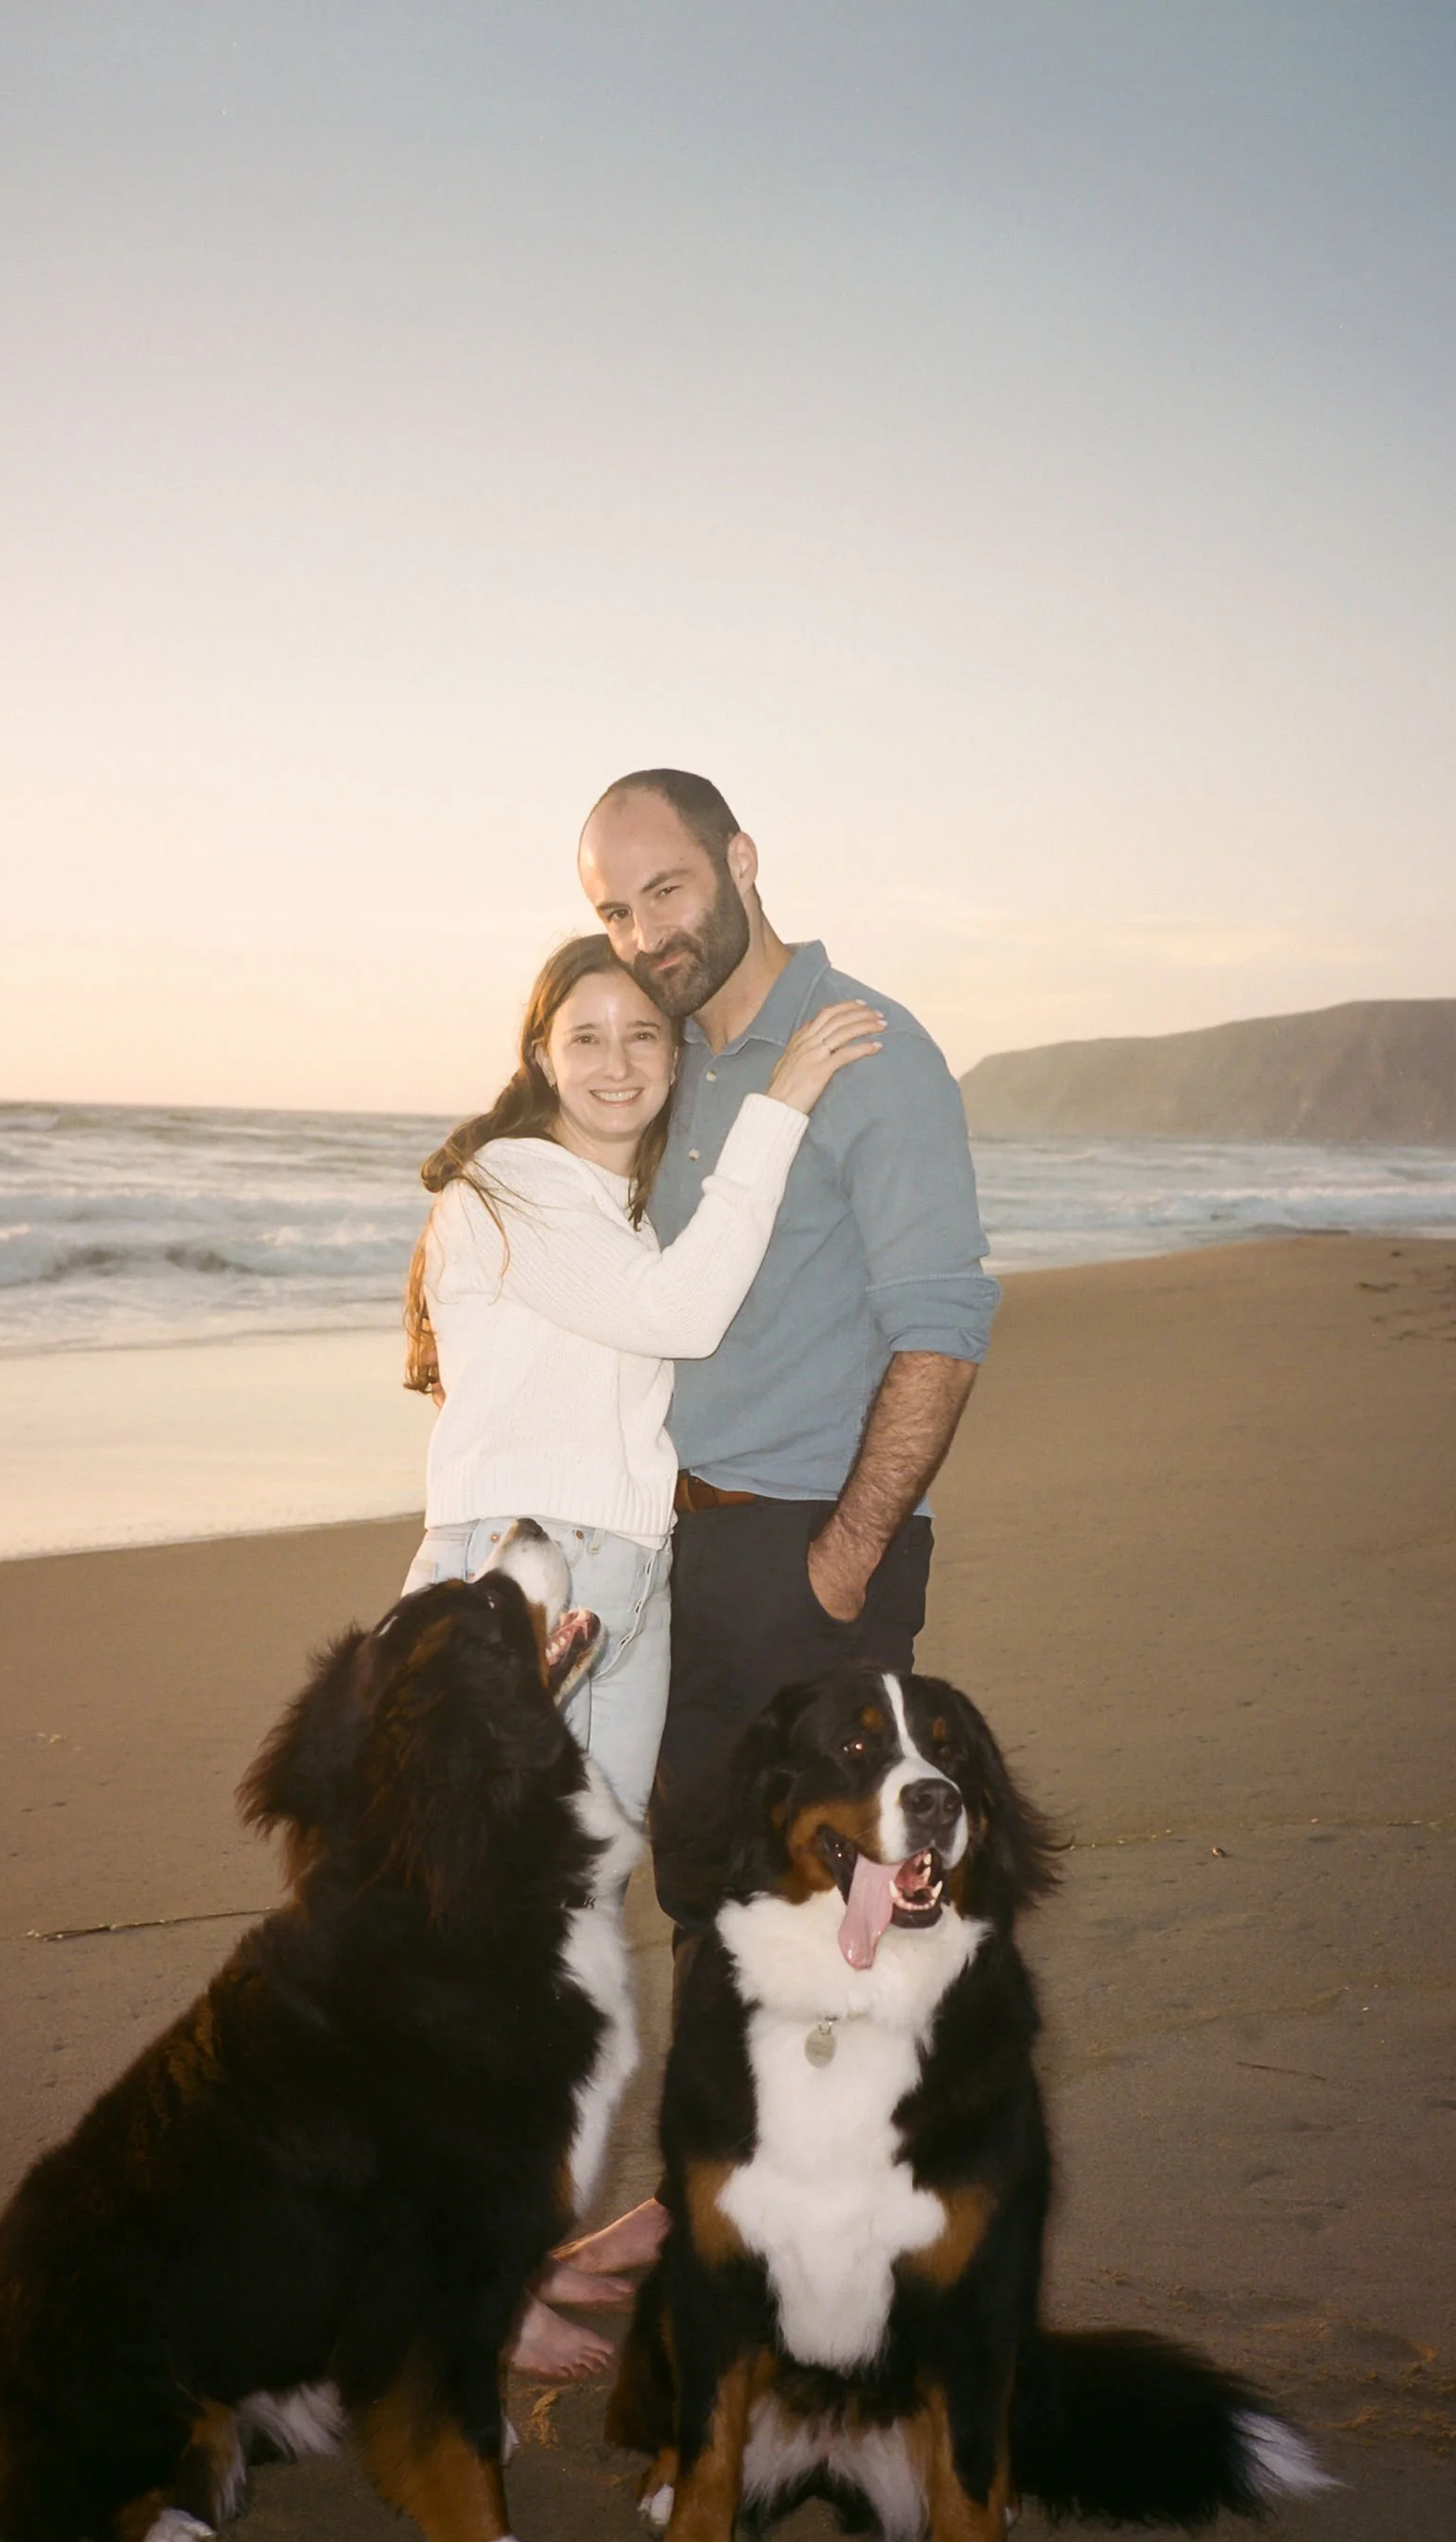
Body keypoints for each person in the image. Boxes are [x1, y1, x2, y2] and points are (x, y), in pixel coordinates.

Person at [402, 930, 882, 2370]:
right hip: (512, 1583)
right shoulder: (512, 1186)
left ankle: (505, 2260)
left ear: (673, 1061)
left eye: (644, 1038)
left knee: (563, 1950)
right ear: (539, 1050)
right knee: (488, 1952)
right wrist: (785, 1098)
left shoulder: (614, 1202)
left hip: (623, 1579)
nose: (617, 1062)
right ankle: (462, 2284)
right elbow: (687, 1312)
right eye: (587, 1034)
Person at [577, 769, 1000, 1932]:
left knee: (824, 1925)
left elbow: (944, 1327)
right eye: (615, 912)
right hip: (672, 1547)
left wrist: (844, 1555)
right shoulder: (661, 1061)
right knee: (706, 1900)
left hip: (803, 1547)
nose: (645, 933)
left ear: (742, 860)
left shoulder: (871, 1048)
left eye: (666, 890)